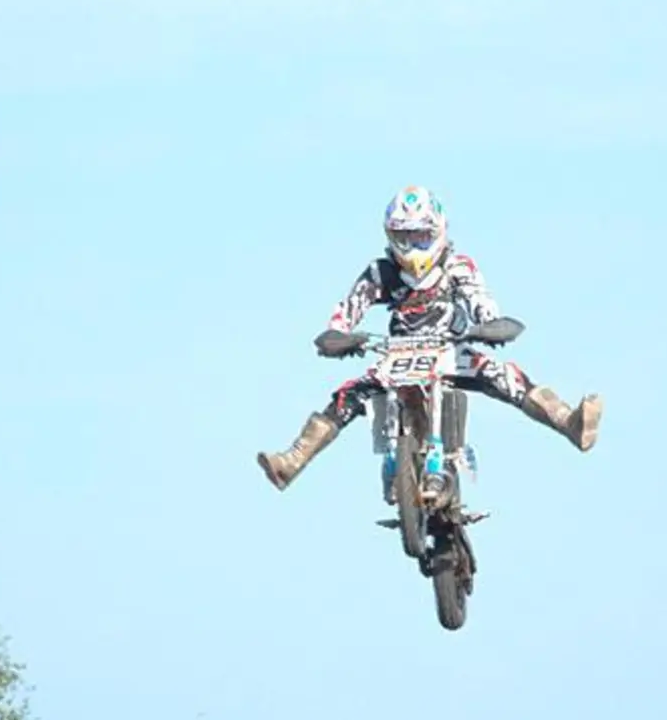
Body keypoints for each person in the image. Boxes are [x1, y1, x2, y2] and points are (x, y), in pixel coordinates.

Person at [257, 184, 603, 492]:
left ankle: (569, 422)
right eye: (405, 238)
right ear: (391, 236)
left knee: (507, 375)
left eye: (422, 236)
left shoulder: (458, 266)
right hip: (396, 354)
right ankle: (292, 461)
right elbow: (350, 307)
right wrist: (339, 334)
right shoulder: (382, 271)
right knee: (349, 393)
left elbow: (482, 302)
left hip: (451, 349)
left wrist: (491, 325)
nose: (413, 246)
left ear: (438, 232)